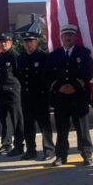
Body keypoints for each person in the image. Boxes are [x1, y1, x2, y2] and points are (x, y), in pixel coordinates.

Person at [45, 25, 93, 166]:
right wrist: (59, 87)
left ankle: (86, 154)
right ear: (61, 37)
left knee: (82, 128)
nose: (68, 38)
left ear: (75, 37)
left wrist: (74, 86)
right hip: (61, 98)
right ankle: (61, 156)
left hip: (79, 96)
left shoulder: (84, 53)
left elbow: (88, 73)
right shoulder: (54, 55)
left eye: (70, 35)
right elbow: (48, 75)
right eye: (65, 35)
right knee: (61, 128)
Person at [17, 32, 54, 161]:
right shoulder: (21, 58)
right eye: (26, 42)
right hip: (26, 97)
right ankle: (31, 150)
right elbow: (19, 76)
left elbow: (48, 77)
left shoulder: (43, 57)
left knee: (44, 125)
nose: (28, 44)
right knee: (28, 125)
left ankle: (49, 150)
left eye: (31, 41)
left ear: (36, 42)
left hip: (40, 96)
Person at [0, 33, 25, 157]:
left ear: (11, 42)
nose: (3, 44)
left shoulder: (15, 56)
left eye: (6, 41)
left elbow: (19, 75)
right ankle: (6, 144)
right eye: (1, 41)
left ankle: (19, 146)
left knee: (17, 121)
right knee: (4, 120)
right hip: (1, 93)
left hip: (13, 93)